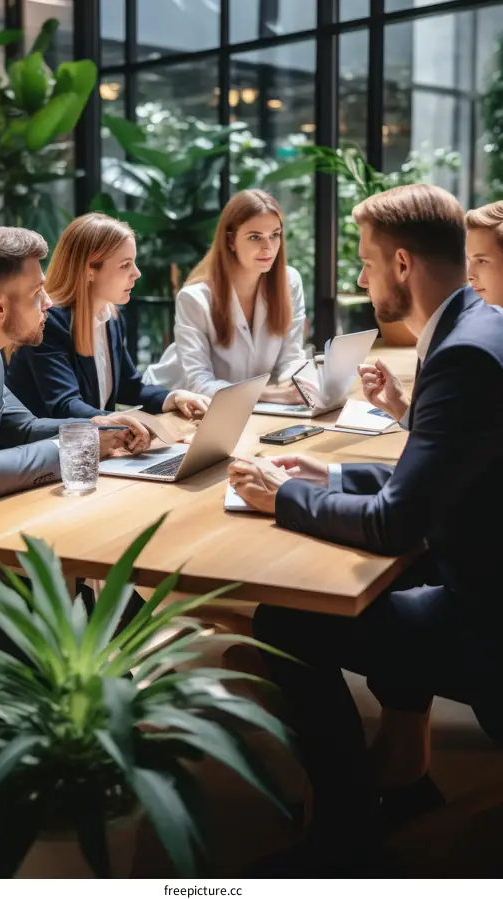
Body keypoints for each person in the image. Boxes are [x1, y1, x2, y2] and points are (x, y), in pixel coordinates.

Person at [227, 184, 503, 873]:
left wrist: (285, 495)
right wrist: (328, 479)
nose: (361, 277)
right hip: (478, 575)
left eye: (368, 262)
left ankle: (345, 839)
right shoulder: (481, 326)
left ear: (404, 264)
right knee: (382, 579)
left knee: (286, 621)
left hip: (487, 622)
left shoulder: (462, 357)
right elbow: (437, 478)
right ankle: (404, 777)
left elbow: (394, 522)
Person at [0, 226, 151, 642]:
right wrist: (79, 446)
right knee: (62, 601)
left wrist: (98, 428)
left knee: (77, 592)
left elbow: (22, 426)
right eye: (38, 292)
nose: (49, 302)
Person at [6, 213, 208, 423]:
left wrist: (173, 397)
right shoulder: (49, 323)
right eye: (125, 265)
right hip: (50, 450)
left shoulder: (110, 318)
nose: (137, 273)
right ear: (90, 270)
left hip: (93, 448)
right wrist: (120, 423)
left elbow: (130, 386)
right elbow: (65, 406)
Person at [143, 189, 307, 402]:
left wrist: (300, 387)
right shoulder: (194, 298)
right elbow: (198, 382)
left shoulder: (290, 282)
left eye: (275, 235)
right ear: (231, 241)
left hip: (241, 405)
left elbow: (291, 359)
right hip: (174, 405)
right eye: (255, 237)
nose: (268, 247)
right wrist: (267, 394)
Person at [358, 199, 503, 423]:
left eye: (482, 260)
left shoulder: (467, 350)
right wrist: (402, 409)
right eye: (469, 260)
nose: (470, 274)